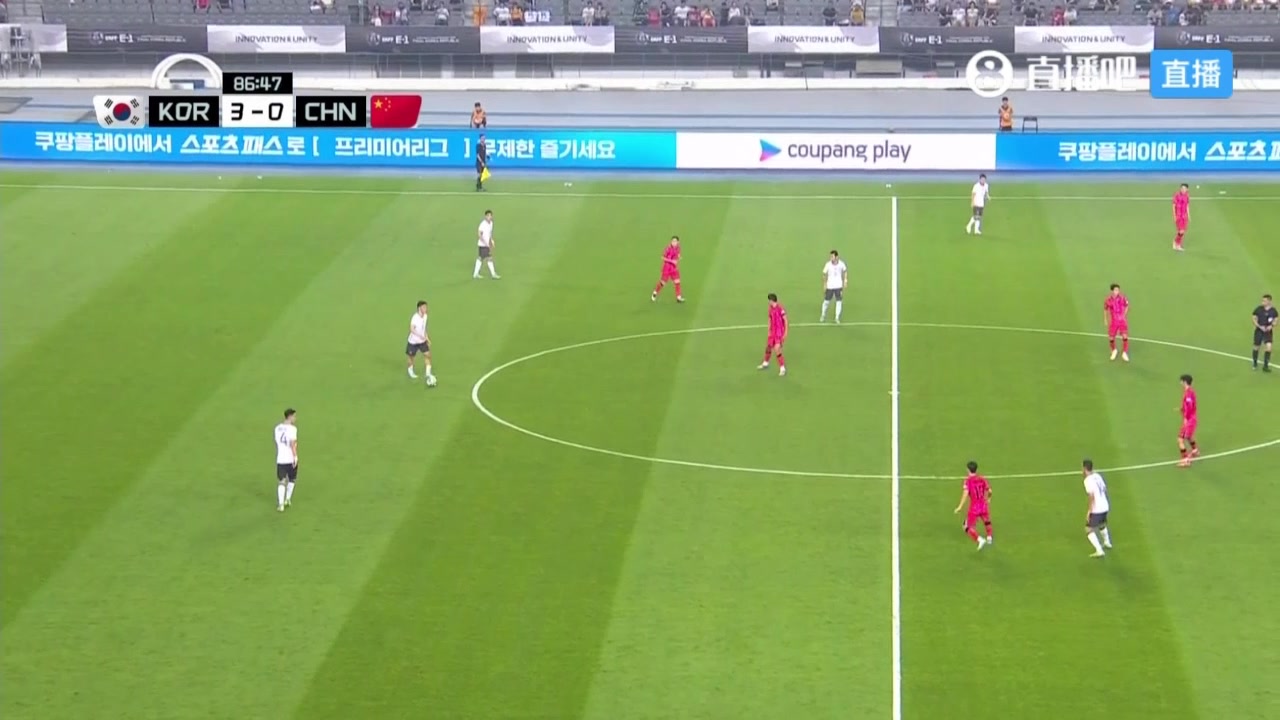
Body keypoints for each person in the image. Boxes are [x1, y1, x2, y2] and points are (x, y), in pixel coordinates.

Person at [954, 461, 993, 550]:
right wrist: (989, 499)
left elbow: (965, 494)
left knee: (967, 526)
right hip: (983, 504)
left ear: (968, 469)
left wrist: (960, 507)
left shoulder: (968, 481)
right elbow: (990, 491)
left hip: (974, 507)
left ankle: (980, 540)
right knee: (986, 521)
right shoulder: (982, 478)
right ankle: (989, 537)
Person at [1081, 459, 1112, 558]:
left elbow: (1091, 496)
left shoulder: (1087, 480)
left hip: (1097, 508)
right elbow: (1104, 489)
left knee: (1088, 529)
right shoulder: (1098, 476)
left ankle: (1099, 550)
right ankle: (1107, 542)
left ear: (1085, 468)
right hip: (1105, 505)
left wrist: (1089, 511)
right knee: (1101, 524)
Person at [274, 408, 298, 513]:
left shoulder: (277, 428)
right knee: (292, 479)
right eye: (294, 416)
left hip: (280, 459)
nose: (295, 418)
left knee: (282, 481)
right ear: (290, 416)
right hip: (290, 459)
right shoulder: (293, 429)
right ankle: (287, 499)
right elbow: (292, 444)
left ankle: (281, 504)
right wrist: (295, 456)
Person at [758, 293, 787, 377]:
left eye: (769, 300)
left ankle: (782, 368)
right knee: (768, 347)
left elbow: (785, 320)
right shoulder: (770, 308)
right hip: (773, 332)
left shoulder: (780, 308)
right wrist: (769, 330)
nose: (768, 302)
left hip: (779, 332)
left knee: (777, 349)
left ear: (771, 300)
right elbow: (769, 319)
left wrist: (785, 333)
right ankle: (765, 363)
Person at [405, 300, 434, 383]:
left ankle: (428, 373)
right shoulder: (415, 318)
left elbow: (423, 328)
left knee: (428, 355)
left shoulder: (425, 316)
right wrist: (420, 336)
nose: (426, 309)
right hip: (413, 342)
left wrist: (427, 338)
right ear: (419, 308)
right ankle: (410, 371)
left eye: (426, 307)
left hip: (422, 341)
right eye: (424, 307)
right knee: (411, 358)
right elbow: (412, 329)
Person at [651, 235, 685, 303]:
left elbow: (677, 254)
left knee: (677, 282)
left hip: (674, 268)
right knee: (663, 283)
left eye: (675, 241)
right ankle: (655, 292)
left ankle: (678, 297)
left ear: (678, 242)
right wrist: (672, 261)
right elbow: (662, 257)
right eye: (673, 241)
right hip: (667, 268)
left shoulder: (678, 248)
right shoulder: (668, 248)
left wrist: (679, 257)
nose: (674, 242)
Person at [819, 250, 847, 324]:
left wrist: (845, 280)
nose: (831, 258)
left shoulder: (841, 264)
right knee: (826, 302)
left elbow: (845, 271)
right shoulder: (828, 264)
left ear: (836, 257)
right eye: (830, 256)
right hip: (830, 286)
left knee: (839, 301)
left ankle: (837, 317)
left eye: (832, 256)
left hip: (838, 286)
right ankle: (823, 315)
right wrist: (825, 284)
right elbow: (824, 274)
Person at [1104, 283, 1130, 362]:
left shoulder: (1122, 298)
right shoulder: (1108, 299)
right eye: (1115, 290)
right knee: (1111, 337)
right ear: (1112, 291)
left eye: (1118, 290)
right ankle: (1114, 350)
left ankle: (1124, 352)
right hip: (1114, 321)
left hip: (1122, 320)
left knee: (1125, 336)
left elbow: (1127, 305)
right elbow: (1105, 309)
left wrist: (1124, 314)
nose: (1117, 291)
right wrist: (1105, 319)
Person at [1178, 374, 1198, 467]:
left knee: (1180, 439)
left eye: (1181, 381)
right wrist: (1182, 408)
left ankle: (1185, 460)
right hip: (1192, 419)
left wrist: (1186, 418)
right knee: (1188, 436)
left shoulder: (1188, 393)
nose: (1180, 382)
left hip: (1189, 420)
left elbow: (1189, 407)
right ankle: (1195, 450)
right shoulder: (1190, 392)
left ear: (1185, 382)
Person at [1252, 293, 1276, 372]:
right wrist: (1259, 326)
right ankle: (1255, 362)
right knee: (1256, 347)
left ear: (1269, 301)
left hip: (1268, 332)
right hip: (1259, 330)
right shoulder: (1259, 309)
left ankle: (1265, 366)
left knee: (1269, 347)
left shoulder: (1273, 311)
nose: (1263, 302)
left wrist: (1271, 326)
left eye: (1264, 301)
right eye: (1262, 300)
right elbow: (1253, 318)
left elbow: (1275, 320)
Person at [473, 210, 500, 279]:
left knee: (481, 258)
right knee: (489, 258)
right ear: (485, 216)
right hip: (483, 245)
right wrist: (484, 242)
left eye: (490, 216)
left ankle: (476, 274)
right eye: (488, 216)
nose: (489, 217)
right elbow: (479, 234)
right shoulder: (483, 224)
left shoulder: (491, 223)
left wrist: (491, 240)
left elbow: (489, 233)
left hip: (486, 244)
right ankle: (493, 274)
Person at [1172, 183, 1190, 251]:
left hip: (1184, 216)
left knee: (1182, 231)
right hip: (1178, 216)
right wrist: (1174, 215)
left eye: (1184, 188)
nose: (1183, 189)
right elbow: (1173, 206)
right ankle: (1178, 245)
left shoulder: (1187, 196)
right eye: (1182, 188)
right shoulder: (1176, 195)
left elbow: (1187, 205)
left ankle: (1175, 242)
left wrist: (1188, 215)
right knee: (1181, 231)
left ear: (1187, 189)